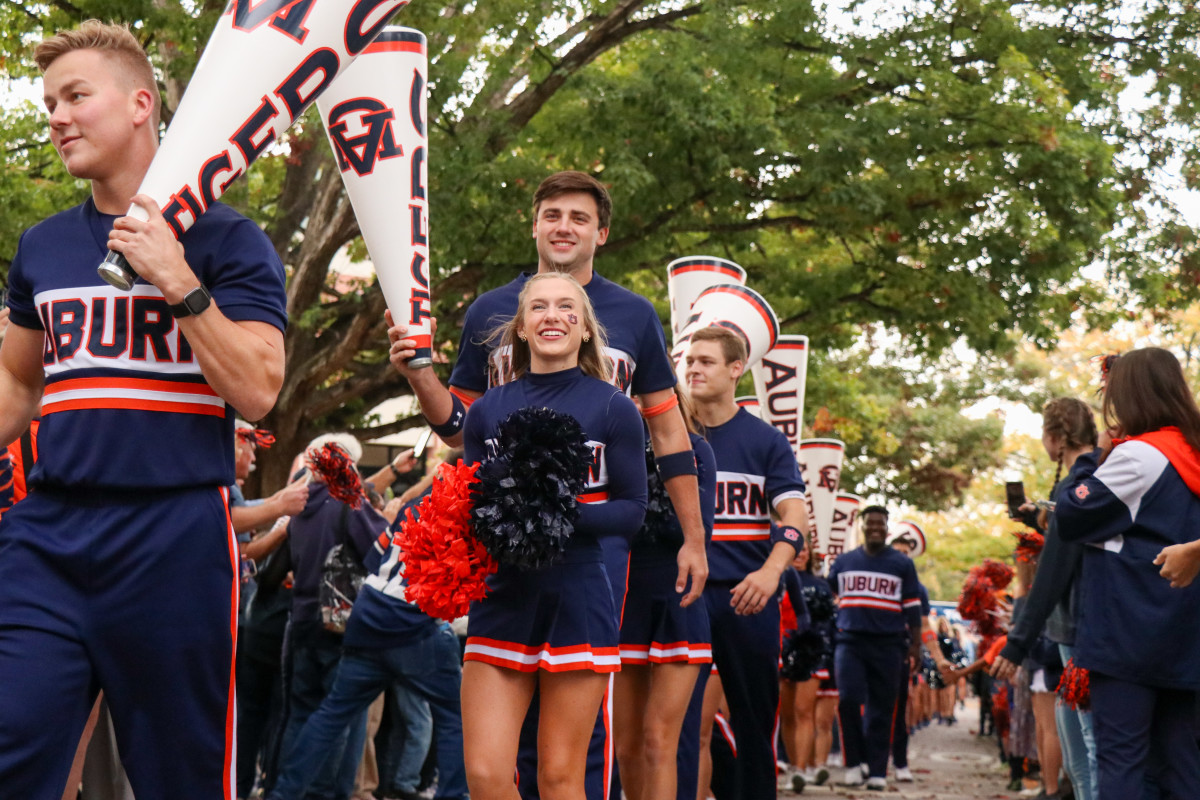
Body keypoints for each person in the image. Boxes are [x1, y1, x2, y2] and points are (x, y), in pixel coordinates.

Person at [0, 21, 287, 796]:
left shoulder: (233, 242)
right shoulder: (43, 247)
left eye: (75, 96)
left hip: (177, 540)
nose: (55, 116)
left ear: (140, 104)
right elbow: (19, 386)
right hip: (47, 535)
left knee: (180, 778)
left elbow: (259, 388)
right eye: (49, 101)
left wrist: (177, 279)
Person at [390, 170, 706, 800]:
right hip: (506, 563)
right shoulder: (489, 311)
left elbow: (669, 438)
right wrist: (420, 375)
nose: (564, 226)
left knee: (574, 759)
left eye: (579, 217)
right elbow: (458, 432)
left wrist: (694, 537)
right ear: (533, 224)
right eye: (553, 214)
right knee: (493, 766)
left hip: (594, 559)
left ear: (602, 232)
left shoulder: (634, 317)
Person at [459, 273, 647, 800]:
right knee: (486, 774)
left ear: (585, 329)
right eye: (538, 307)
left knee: (560, 777)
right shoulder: (485, 412)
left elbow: (632, 511)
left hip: (579, 595)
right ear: (520, 327)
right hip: (502, 597)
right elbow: (474, 506)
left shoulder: (615, 409)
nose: (552, 316)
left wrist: (551, 514)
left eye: (567, 308)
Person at [1054, 347, 1200, 799]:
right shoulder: (1193, 452)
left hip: (1127, 632)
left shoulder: (1141, 456)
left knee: (1122, 760)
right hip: (1185, 637)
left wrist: (1088, 458)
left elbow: (1072, 513)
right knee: (1180, 765)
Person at [683, 325, 810, 799]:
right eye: (690, 360)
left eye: (706, 361)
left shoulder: (766, 441)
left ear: (736, 369)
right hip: (682, 598)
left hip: (747, 601)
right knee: (674, 728)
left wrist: (771, 570)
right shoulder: (667, 431)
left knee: (756, 726)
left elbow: (795, 517)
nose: (694, 368)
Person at [992, 397, 1099, 800]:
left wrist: (1018, 641)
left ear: (1055, 439)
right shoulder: (1098, 478)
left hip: (1078, 627)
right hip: (1086, 626)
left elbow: (1055, 568)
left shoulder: (1077, 485)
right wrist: (1038, 516)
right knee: (1081, 746)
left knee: (1087, 750)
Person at [614, 387, 716, 800]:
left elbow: (695, 531)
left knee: (659, 740)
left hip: (679, 601)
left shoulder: (696, 451)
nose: (639, 406)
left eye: (648, 397)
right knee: (627, 746)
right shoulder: (611, 453)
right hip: (625, 604)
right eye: (631, 398)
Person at [825, 505, 922, 790]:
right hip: (850, 641)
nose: (876, 528)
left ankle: (878, 769)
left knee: (882, 708)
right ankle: (854, 763)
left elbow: (913, 608)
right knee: (848, 700)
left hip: (889, 644)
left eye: (881, 524)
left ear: (887, 528)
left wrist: (915, 646)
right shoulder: (843, 562)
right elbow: (829, 595)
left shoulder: (902, 564)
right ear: (863, 526)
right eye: (871, 523)